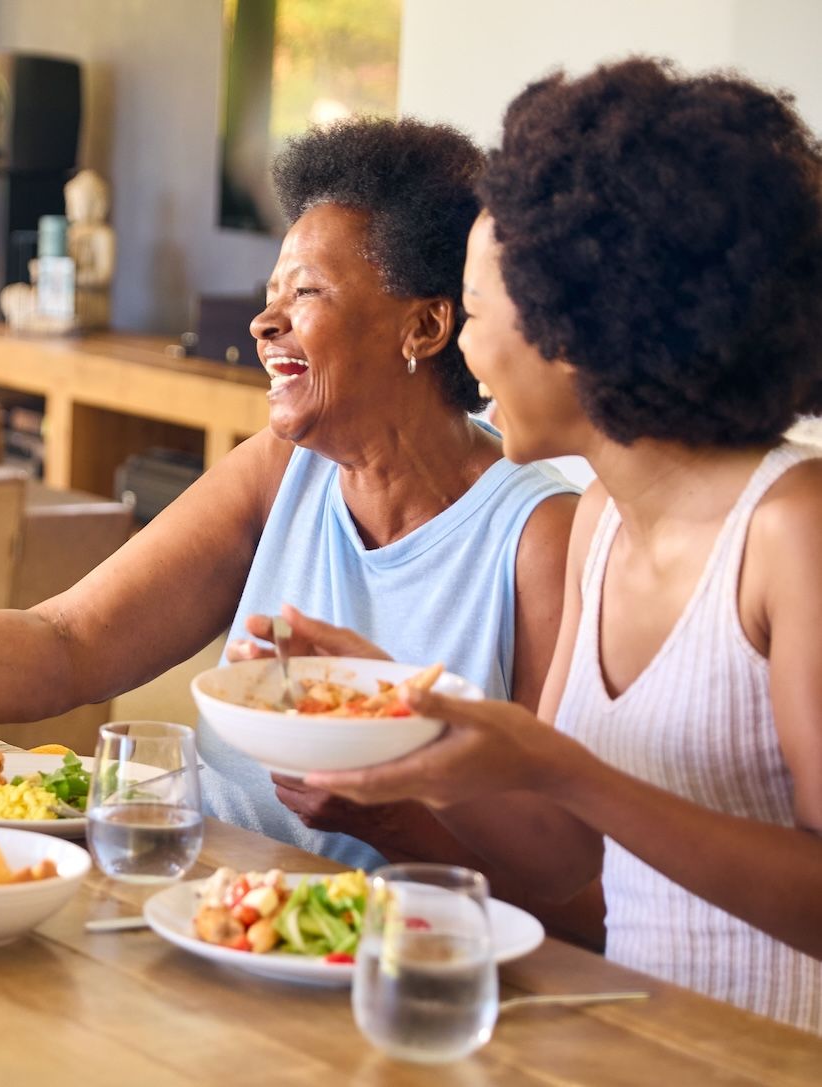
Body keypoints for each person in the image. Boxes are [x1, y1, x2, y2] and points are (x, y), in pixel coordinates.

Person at [0, 118, 580, 882]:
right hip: (189, 876)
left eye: (304, 293)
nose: (264, 323)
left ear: (424, 327)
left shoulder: (537, 532)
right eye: (270, 296)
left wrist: (392, 818)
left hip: (384, 934)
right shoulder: (286, 468)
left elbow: (568, 873)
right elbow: (69, 641)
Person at [299, 59, 822, 1033]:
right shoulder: (599, 526)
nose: (461, 347)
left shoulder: (793, 530)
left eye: (480, 310)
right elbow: (567, 854)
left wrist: (562, 766)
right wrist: (403, 713)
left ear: (578, 326)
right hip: (635, 1042)